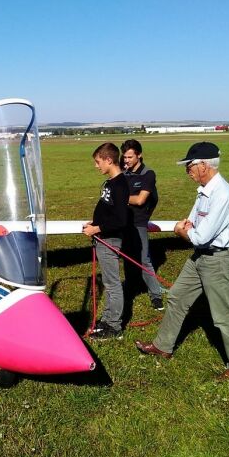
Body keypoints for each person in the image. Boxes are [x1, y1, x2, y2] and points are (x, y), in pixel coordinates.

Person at [135, 142, 229, 380]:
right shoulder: (203, 191)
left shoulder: (223, 194)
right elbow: (192, 223)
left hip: (218, 259)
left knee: (223, 316)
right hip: (200, 257)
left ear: (204, 165)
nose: (187, 170)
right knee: (176, 297)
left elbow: (200, 235)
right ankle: (162, 346)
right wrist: (187, 229)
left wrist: (181, 232)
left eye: (190, 165)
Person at [82, 142, 131, 339]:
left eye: (98, 161)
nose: (96, 166)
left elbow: (121, 219)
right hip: (103, 238)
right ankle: (107, 319)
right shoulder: (111, 182)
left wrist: (97, 228)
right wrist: (95, 222)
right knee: (109, 282)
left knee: (112, 284)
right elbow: (109, 210)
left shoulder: (119, 184)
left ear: (109, 160)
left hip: (109, 240)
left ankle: (114, 326)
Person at [121, 139, 164, 311]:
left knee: (144, 260)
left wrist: (119, 197)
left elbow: (140, 200)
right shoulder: (124, 172)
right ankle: (131, 286)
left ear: (139, 155)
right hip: (124, 222)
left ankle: (156, 295)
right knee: (127, 257)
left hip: (138, 223)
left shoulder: (148, 174)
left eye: (130, 157)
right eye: (124, 157)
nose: (126, 160)